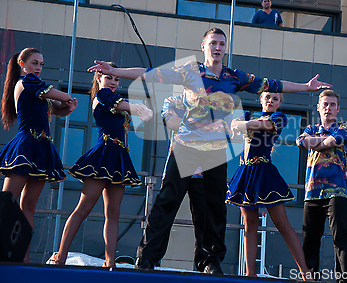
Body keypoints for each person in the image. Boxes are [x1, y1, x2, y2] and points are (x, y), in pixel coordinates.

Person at [88, 27, 331, 274]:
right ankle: (147, 258)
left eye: (221, 44)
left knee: (212, 206)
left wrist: (306, 87)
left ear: (225, 48)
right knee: (167, 200)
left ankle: (210, 261)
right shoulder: (190, 71)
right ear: (203, 47)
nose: (217, 47)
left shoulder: (234, 77)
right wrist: (114, 71)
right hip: (185, 146)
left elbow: (273, 84)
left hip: (215, 150)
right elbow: (151, 74)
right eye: (213, 43)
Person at [52, 63, 153, 267]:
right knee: (83, 208)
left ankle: (110, 262)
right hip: (103, 157)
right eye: (109, 77)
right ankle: (60, 257)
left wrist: (141, 108)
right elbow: (128, 107)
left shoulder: (114, 97)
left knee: (113, 213)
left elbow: (146, 73)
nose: (114, 82)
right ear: (98, 78)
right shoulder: (104, 96)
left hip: (118, 159)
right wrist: (141, 108)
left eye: (116, 79)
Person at [0, 48, 78, 262]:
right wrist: (69, 98)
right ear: (22, 64)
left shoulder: (37, 88)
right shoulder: (28, 82)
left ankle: (23, 257)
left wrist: (67, 107)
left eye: (41, 64)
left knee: (29, 206)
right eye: (35, 63)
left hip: (41, 148)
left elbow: (56, 107)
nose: (38, 68)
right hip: (25, 148)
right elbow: (58, 95)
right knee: (7, 202)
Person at [227, 92, 309, 278]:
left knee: (282, 223)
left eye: (275, 99)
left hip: (265, 172)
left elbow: (265, 125)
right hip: (245, 173)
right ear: (261, 99)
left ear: (279, 103)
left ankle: (305, 272)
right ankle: (251, 274)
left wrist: (244, 126)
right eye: (268, 97)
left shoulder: (278, 118)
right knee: (250, 224)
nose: (270, 101)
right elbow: (232, 124)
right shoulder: (248, 115)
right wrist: (244, 124)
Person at [296, 90, 347, 283]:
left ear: (338, 108)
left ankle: (344, 279)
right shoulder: (311, 128)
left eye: (332, 105)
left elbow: (338, 139)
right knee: (310, 238)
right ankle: (310, 278)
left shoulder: (345, 127)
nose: (328, 108)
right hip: (312, 193)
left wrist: (317, 144)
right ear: (318, 107)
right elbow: (302, 141)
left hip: (336, 191)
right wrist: (323, 141)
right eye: (325, 104)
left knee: (340, 237)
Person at [158, 94, 208, 272]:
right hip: (178, 166)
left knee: (205, 220)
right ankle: (149, 258)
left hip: (204, 170)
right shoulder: (174, 101)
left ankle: (207, 263)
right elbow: (171, 123)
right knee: (163, 214)